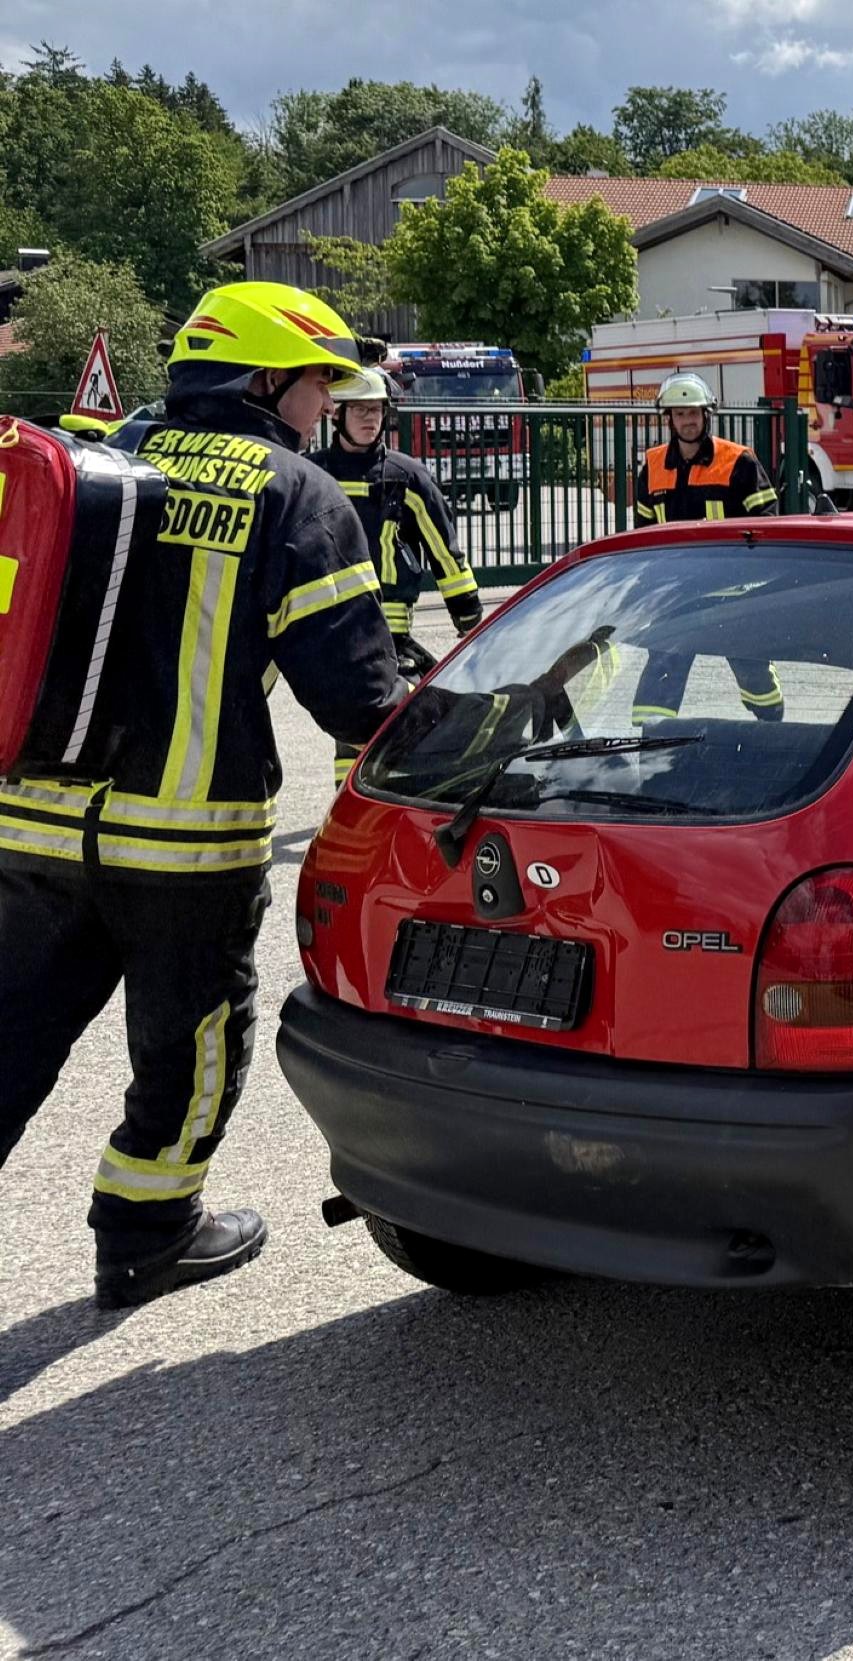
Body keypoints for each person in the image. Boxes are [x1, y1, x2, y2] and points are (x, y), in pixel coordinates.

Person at [0, 282, 405, 1309]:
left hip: (34, 820)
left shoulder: (102, 457)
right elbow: (356, 701)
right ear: (267, 380)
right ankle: (148, 1236)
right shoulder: (296, 492)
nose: (328, 402)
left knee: (7, 1036)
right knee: (191, 1048)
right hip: (187, 838)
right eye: (319, 381)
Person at [312, 367, 485, 782]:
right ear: (337, 414)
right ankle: (353, 801)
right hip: (330, 629)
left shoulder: (407, 478)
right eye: (360, 410)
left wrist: (469, 618)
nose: (370, 418)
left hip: (392, 633)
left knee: (396, 724)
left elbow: (445, 553)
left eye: (376, 410)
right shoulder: (313, 477)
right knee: (354, 728)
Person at [628, 373, 786, 725]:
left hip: (733, 592)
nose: (688, 421)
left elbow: (769, 522)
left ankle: (773, 725)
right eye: (680, 414)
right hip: (676, 594)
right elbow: (644, 535)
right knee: (663, 667)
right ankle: (650, 740)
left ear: (706, 415)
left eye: (694, 413)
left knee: (753, 673)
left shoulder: (738, 461)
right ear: (669, 419)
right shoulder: (653, 467)